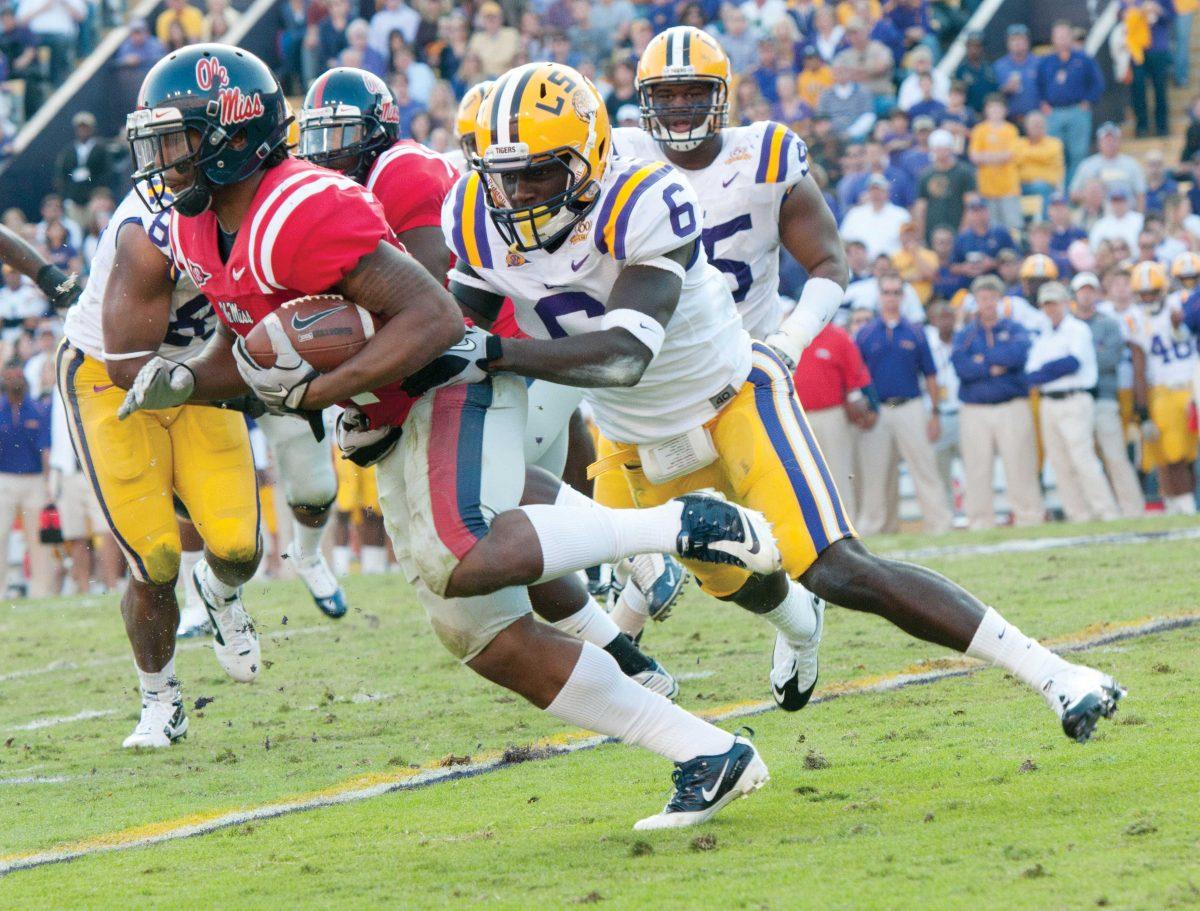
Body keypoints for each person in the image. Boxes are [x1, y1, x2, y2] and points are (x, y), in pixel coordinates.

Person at [122, 47, 771, 829]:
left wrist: (325, 390)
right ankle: (705, 751)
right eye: (155, 142)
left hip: (449, 379)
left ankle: (679, 526)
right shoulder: (198, 229)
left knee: (459, 553)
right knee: (483, 636)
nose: (161, 160)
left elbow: (433, 316)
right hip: (391, 405)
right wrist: (190, 377)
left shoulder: (299, 207)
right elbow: (250, 344)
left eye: (176, 139)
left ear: (231, 135)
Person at [451, 57, 1126, 805]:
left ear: (587, 159)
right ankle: (801, 632)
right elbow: (462, 331)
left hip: (733, 398)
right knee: (743, 583)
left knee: (840, 568)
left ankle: (1058, 674)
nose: (515, 195)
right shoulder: (477, 219)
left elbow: (622, 355)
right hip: (634, 441)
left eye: (538, 174)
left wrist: (492, 352)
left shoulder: (645, 198)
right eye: (502, 175)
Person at [301, 66, 684, 681]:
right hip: (479, 353)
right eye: (317, 138)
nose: (328, 153)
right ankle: (629, 659)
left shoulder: (403, 171)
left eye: (342, 134)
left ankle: (648, 547)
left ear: (378, 130)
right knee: (505, 535)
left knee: (495, 497)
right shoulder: (345, 196)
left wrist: (369, 387)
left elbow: (426, 298)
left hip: (507, 350)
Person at [854, 273, 952, 534]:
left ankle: (939, 524)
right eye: (887, 292)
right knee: (876, 474)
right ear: (879, 296)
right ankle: (876, 528)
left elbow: (930, 375)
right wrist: (863, 410)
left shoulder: (916, 332)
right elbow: (856, 377)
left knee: (924, 468)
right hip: (878, 410)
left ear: (904, 296)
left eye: (896, 292)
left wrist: (935, 413)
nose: (891, 297)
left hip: (911, 406)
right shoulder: (865, 334)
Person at [952, 275, 1044, 528]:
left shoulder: (1014, 328)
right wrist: (993, 366)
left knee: (1020, 464)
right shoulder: (965, 335)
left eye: (992, 297)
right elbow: (961, 366)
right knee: (977, 468)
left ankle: (1029, 517)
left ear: (1000, 300)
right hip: (975, 408)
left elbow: (1017, 355)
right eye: (983, 298)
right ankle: (980, 521)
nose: (988, 303)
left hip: (1011, 404)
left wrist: (982, 361)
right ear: (976, 301)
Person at [1025, 282, 1120, 522]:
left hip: (1074, 397)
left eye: (1055, 303)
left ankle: (1105, 511)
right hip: (1049, 401)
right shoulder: (1044, 333)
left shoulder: (1077, 329)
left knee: (1083, 459)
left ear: (1066, 303)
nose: (1051, 309)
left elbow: (1071, 363)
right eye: (1047, 305)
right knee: (1059, 462)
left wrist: (1046, 370)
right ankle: (1078, 514)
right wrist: (1049, 370)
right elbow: (1031, 373)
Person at [1071, 272, 1145, 517]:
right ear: (1075, 294)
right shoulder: (1069, 324)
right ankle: (1096, 510)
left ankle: (1133, 509)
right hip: (1076, 397)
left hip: (1104, 395)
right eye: (1082, 290)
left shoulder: (1108, 322)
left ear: (1097, 293)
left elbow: (1109, 358)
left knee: (1115, 455)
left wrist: (1076, 361)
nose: (1086, 294)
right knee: (1083, 459)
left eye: (1090, 289)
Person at [1131, 261, 1197, 514]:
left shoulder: (1182, 304)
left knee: (1189, 453)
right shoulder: (1135, 319)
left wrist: (1183, 323)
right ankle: (1182, 504)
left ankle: (1185, 502)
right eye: (1143, 293)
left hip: (1192, 386)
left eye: (1152, 292)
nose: (1148, 298)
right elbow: (1139, 366)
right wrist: (1143, 409)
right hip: (1164, 390)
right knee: (1171, 453)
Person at [792, 322, 873, 521]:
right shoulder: (789, 336)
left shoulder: (838, 337)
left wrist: (857, 400)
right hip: (797, 415)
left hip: (832, 413)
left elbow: (855, 375)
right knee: (802, 476)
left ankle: (847, 525)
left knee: (839, 471)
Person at [0, 357, 52, 598]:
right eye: (10, 377)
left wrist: (48, 482)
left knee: (38, 541)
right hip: (5, 479)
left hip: (34, 480)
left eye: (18, 376)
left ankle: (41, 591)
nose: (14, 381)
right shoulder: (0, 409)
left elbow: (45, 449)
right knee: (1, 535)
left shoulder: (37, 409)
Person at [1037, 20, 1105, 183]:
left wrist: (1088, 101)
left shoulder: (1083, 59)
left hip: (1077, 111)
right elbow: (1038, 85)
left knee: (1078, 153)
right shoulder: (1046, 61)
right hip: (1054, 113)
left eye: (1065, 36)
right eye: (1058, 36)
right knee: (1055, 155)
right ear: (1053, 39)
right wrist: (1043, 103)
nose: (1061, 40)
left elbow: (1098, 83)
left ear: (1070, 37)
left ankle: (1075, 191)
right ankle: (1059, 193)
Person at [968, 94, 1022, 232]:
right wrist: (999, 157)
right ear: (986, 110)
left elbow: (1011, 155)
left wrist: (986, 156)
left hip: (1009, 187)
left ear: (1005, 110)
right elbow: (974, 156)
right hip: (987, 188)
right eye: (992, 108)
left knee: (1013, 225)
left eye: (999, 108)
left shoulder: (1011, 130)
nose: (995, 112)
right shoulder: (979, 130)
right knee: (991, 227)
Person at [925, 301, 961, 501]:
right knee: (940, 472)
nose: (946, 322)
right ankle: (946, 519)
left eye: (950, 317)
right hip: (937, 415)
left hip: (962, 411)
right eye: (941, 317)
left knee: (974, 469)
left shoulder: (963, 340)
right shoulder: (927, 345)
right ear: (933, 321)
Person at [916, 128, 975, 243]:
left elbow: (971, 204)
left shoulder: (964, 172)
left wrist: (964, 229)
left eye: (943, 147)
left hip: (957, 227)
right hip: (932, 231)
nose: (940, 151)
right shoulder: (926, 175)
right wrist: (921, 234)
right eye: (937, 148)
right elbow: (921, 208)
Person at [1126, 0, 1175, 138]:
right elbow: (1121, 12)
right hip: (1138, 50)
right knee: (1138, 90)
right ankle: (1141, 126)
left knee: (1160, 89)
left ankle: (1162, 126)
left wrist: (1159, 10)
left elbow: (1172, 16)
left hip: (1158, 49)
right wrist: (1138, 10)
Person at [53, 111, 112, 223]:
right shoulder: (68, 151)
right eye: (80, 128)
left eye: (86, 127)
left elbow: (107, 172)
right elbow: (62, 175)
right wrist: (66, 196)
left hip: (95, 200)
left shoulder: (101, 149)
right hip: (73, 201)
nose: (83, 130)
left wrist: (99, 193)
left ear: (92, 128)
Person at [1069, 122, 1147, 204]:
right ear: (1099, 143)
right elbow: (1073, 194)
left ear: (1119, 142)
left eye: (1113, 140)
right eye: (1107, 140)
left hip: (1126, 214)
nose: (1110, 143)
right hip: (1096, 214)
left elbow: (1141, 194)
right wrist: (1092, 194)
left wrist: (1139, 215)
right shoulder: (1087, 165)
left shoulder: (1132, 164)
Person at [840, 173, 911, 259]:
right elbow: (843, 241)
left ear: (887, 192)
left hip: (892, 267)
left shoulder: (901, 215)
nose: (876, 194)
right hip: (860, 267)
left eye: (880, 190)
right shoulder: (855, 214)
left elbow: (909, 243)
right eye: (872, 190)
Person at [1015, 112, 1065, 216]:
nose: (1037, 127)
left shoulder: (1054, 143)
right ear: (1026, 126)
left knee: (1041, 187)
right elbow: (1013, 161)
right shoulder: (1018, 143)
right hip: (1019, 186)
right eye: (1033, 124)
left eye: (1040, 124)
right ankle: (1016, 227)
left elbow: (1046, 155)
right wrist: (1039, 158)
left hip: (1046, 185)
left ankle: (1044, 224)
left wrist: (1024, 155)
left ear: (1045, 126)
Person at [994, 24, 1041, 120]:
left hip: (1034, 119)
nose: (1017, 43)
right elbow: (993, 96)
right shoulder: (999, 66)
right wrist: (1005, 90)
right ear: (1007, 43)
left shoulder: (1038, 63)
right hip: (1009, 119)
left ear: (1027, 42)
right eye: (1013, 40)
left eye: (1021, 39)